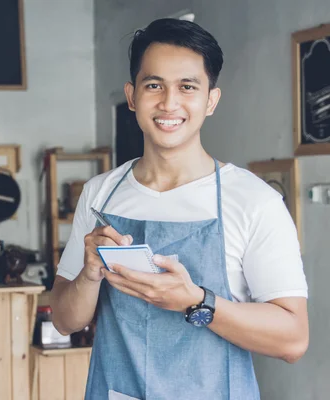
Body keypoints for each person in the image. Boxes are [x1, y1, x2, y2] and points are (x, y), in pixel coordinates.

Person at [50, 18, 309, 400]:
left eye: (187, 87)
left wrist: (195, 301)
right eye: (154, 85)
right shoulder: (99, 194)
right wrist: (89, 275)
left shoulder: (254, 201)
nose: (169, 103)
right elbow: (63, 320)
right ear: (133, 96)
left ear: (211, 100)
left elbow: (293, 339)